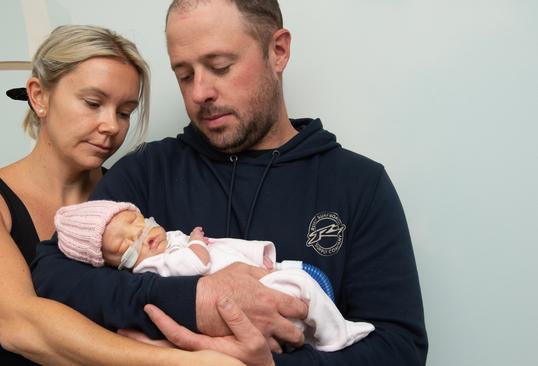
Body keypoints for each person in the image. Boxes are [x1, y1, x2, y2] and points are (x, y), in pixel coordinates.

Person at [32, 1, 429, 365]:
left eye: (220, 66)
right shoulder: (149, 170)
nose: (200, 92)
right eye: (184, 75)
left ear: (278, 51)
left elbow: (400, 348)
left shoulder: (358, 184)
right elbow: (53, 276)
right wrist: (195, 300)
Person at [0, 25, 243, 366]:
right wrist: (182, 363)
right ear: (39, 96)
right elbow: (19, 326)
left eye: (125, 112)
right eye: (93, 103)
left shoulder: (136, 199)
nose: (111, 126)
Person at [53, 199, 376, 352]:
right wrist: (195, 242)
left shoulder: (166, 241)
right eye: (123, 243)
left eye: (135, 222)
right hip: (253, 305)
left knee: (305, 280)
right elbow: (196, 264)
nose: (138, 235)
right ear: (116, 264)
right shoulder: (150, 267)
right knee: (305, 286)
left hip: (260, 283)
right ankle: (335, 337)